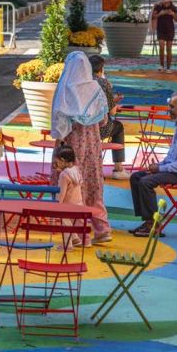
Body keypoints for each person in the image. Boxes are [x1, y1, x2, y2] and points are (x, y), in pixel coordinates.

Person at [49, 52, 112, 244]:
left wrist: (57, 145)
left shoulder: (65, 90)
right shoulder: (94, 88)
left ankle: (77, 234)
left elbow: (59, 123)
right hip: (92, 145)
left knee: (71, 188)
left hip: (70, 146)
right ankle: (102, 229)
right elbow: (103, 121)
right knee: (92, 184)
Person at [128, 93, 177, 237]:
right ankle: (148, 221)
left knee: (146, 182)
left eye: (172, 107)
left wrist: (160, 168)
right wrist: (159, 166)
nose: (168, 110)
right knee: (136, 177)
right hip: (175, 170)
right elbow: (172, 157)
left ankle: (153, 224)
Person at [89, 54, 129, 180]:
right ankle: (118, 168)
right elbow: (112, 112)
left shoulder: (82, 81)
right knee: (119, 127)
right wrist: (114, 101)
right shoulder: (103, 82)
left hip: (81, 126)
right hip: (99, 128)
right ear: (101, 69)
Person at [53, 146, 95, 248]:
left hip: (67, 205)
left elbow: (62, 192)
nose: (56, 164)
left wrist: (57, 204)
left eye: (57, 162)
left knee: (66, 223)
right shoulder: (76, 170)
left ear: (63, 160)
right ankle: (79, 239)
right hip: (78, 204)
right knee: (76, 223)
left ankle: (67, 245)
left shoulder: (64, 175)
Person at [151, 0, 177, 73]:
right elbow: (153, 17)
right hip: (160, 29)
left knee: (169, 49)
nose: (166, 4)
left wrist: (173, 14)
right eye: (165, 2)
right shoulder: (159, 7)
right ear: (162, 2)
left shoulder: (173, 8)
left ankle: (168, 67)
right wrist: (160, 14)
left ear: (170, 2)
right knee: (161, 47)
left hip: (170, 29)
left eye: (168, 2)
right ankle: (161, 65)